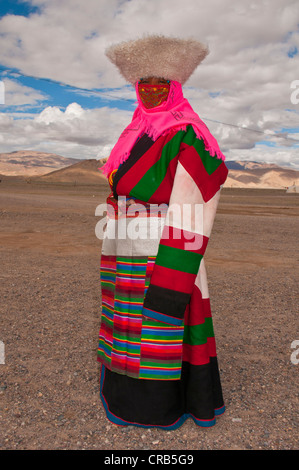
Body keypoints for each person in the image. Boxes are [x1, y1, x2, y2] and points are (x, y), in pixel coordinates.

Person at [97, 35, 229, 429]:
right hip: (125, 244)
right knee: (128, 320)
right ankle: (122, 393)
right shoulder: (135, 131)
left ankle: (162, 405)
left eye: (161, 84)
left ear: (175, 88)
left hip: (164, 245)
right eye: (144, 84)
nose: (152, 91)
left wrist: (177, 264)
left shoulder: (188, 133)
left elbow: (198, 195)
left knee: (162, 317)